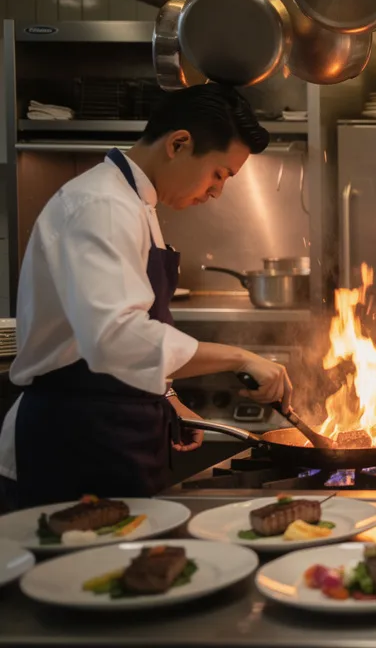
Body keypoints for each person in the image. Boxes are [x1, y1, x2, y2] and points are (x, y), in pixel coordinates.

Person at [0, 84, 293, 509]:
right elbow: (115, 339)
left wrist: (167, 395)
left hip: (117, 433)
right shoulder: (101, 206)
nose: (217, 192)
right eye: (219, 174)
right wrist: (239, 357)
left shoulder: (138, 204)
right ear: (178, 144)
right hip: (73, 444)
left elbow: (136, 328)